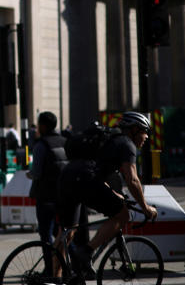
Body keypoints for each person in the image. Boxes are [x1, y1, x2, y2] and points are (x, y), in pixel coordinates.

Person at [55, 111, 158, 273]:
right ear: (135, 129)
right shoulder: (127, 144)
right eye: (145, 132)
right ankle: (87, 252)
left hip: (68, 176)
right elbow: (132, 179)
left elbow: (96, 169)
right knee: (123, 215)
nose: (146, 137)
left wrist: (113, 193)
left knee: (66, 233)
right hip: (85, 179)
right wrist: (145, 207)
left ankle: (55, 280)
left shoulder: (111, 140)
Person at [27, 111, 68, 247]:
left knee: (45, 234)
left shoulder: (41, 145)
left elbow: (37, 173)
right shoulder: (65, 142)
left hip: (46, 196)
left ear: (43, 126)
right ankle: (74, 260)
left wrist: (29, 174)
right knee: (62, 232)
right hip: (63, 195)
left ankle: (50, 266)